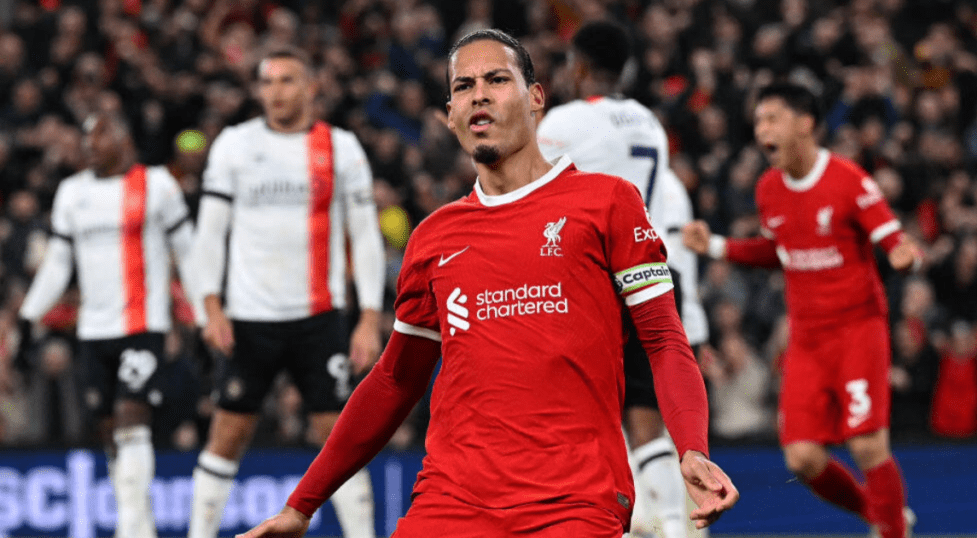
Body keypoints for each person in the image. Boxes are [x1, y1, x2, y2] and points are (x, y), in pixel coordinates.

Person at [237, 29, 738, 538]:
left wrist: (692, 447)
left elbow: (664, 339)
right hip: (450, 502)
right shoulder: (433, 237)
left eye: (497, 79)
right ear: (450, 114)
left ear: (536, 98)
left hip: (572, 504)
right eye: (463, 86)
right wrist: (301, 506)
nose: (479, 93)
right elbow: (394, 379)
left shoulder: (608, 202)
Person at [683, 82, 920, 538]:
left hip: (857, 328)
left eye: (772, 118)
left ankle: (892, 530)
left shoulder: (849, 180)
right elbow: (780, 249)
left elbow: (892, 236)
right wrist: (714, 244)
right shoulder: (769, 188)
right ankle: (885, 517)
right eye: (758, 121)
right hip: (808, 339)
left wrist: (903, 253)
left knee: (868, 445)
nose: (762, 129)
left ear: (806, 123)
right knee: (802, 459)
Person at [187, 46, 385, 538]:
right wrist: (209, 306)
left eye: (288, 81)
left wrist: (368, 317)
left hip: (320, 317)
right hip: (248, 317)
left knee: (338, 438)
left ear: (312, 87)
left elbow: (364, 236)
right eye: (268, 82)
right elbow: (209, 234)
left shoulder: (341, 148)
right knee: (227, 434)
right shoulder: (234, 145)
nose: (276, 92)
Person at [536, 20, 711, 538]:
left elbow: (522, 184)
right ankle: (671, 528)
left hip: (598, 281)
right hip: (654, 272)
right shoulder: (648, 121)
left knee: (590, 411)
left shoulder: (564, 122)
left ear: (580, 66)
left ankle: (622, 522)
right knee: (642, 413)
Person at [18, 111, 196, 538]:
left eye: (98, 136)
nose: (88, 145)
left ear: (122, 138)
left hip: (142, 325)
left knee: (132, 421)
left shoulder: (157, 185)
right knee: (110, 435)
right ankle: (142, 526)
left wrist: (206, 314)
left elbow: (188, 253)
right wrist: (27, 316)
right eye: (85, 138)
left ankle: (129, 529)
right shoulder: (71, 192)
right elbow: (59, 264)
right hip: (93, 331)